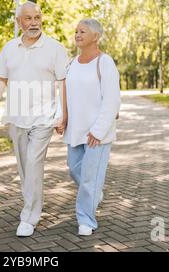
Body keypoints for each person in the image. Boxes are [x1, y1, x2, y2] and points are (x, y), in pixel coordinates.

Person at [0, 1, 69, 237]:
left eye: (37, 18)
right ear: (18, 22)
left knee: (33, 163)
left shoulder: (55, 48)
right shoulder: (9, 48)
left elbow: (63, 83)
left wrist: (63, 114)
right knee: (24, 167)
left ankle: (29, 216)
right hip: (16, 116)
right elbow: (1, 79)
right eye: (28, 18)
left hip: (44, 117)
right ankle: (31, 204)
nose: (34, 23)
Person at [56, 18, 120, 236]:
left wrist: (99, 130)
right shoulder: (72, 64)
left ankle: (86, 220)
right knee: (75, 169)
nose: (77, 35)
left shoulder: (105, 63)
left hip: (97, 133)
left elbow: (112, 99)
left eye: (82, 31)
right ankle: (94, 194)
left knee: (90, 178)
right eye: (76, 31)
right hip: (75, 129)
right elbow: (64, 94)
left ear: (96, 36)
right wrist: (62, 119)